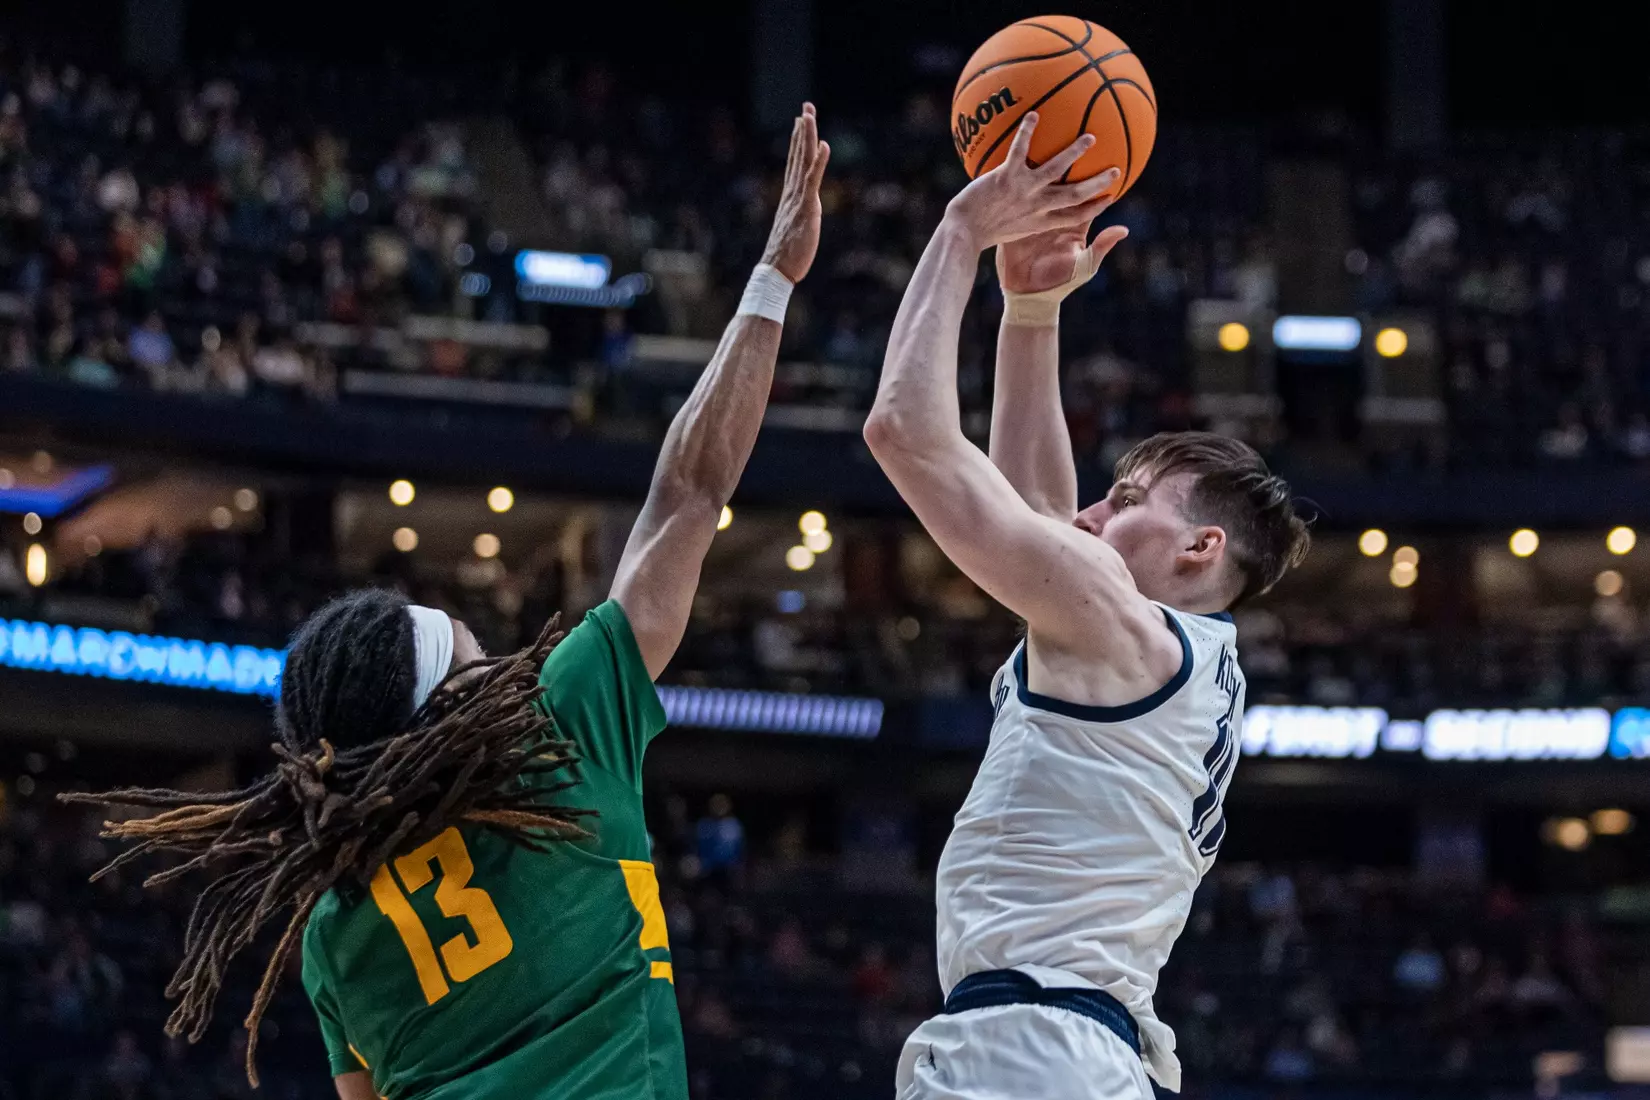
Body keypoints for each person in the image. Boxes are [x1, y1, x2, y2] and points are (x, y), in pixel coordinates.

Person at [62, 104, 830, 1100]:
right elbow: (690, 488)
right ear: (449, 706)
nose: (500, 665)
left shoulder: (333, 931)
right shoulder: (560, 730)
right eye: (475, 655)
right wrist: (772, 277)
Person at [863, 114, 1310, 1099]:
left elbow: (903, 430)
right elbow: (1037, 515)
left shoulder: (1124, 629)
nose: (1095, 512)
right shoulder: (1173, 656)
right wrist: (1031, 313)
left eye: (1130, 498)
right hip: (1081, 1051)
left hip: (1028, 1051)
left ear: (1200, 547)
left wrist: (960, 233)